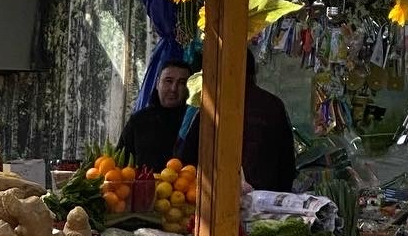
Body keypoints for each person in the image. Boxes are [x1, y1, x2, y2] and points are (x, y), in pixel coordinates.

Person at [177, 51, 297, 193]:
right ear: (254, 72)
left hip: (217, 199)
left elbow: (186, 161)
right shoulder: (273, 105)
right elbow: (287, 165)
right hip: (263, 202)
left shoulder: (212, 105)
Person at [117, 59, 190, 172]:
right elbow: (119, 165)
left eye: (182, 83)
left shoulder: (194, 122)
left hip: (186, 187)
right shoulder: (138, 121)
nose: (173, 89)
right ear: (157, 84)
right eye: (168, 81)